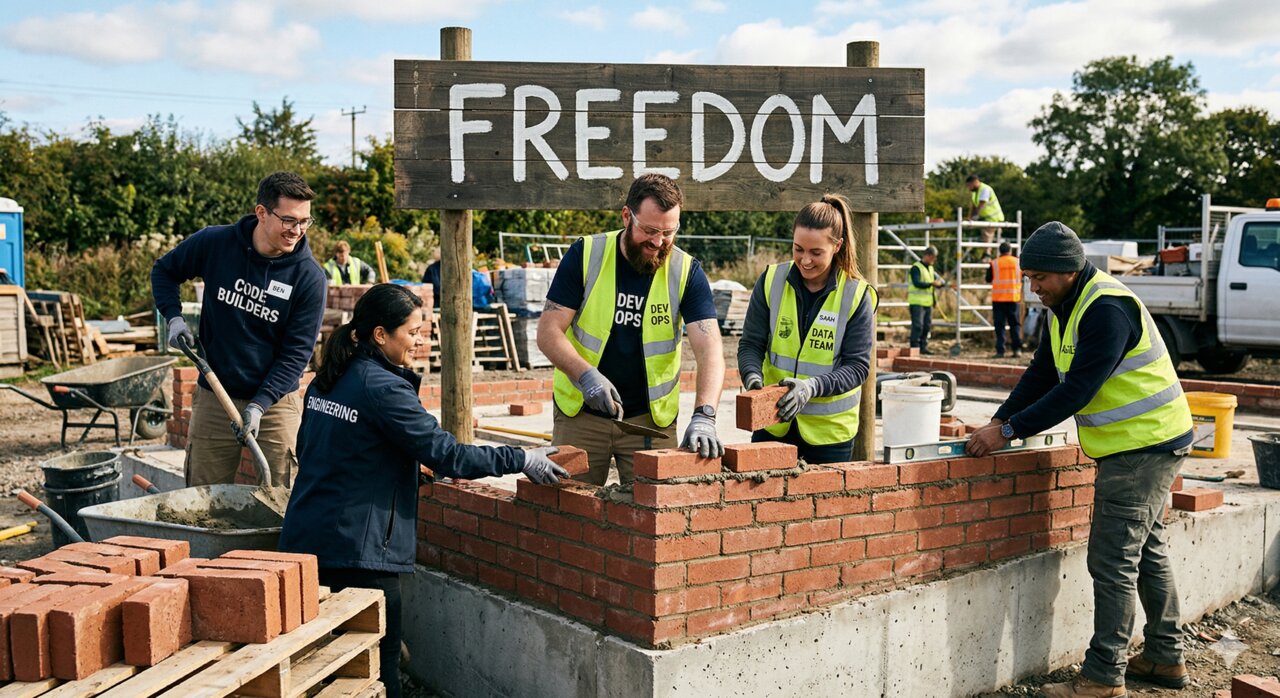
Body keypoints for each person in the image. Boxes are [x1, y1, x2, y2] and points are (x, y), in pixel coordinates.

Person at [281, 284, 567, 698]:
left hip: (309, 536)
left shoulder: (328, 378)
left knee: (329, 665)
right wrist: (520, 458)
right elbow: (447, 453)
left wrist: (408, 473)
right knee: (381, 668)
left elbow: (323, 452)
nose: (420, 341)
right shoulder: (383, 387)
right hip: (359, 554)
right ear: (381, 334)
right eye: (413, 332)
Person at [965, 222, 1193, 698]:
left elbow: (1075, 391)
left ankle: (1103, 677)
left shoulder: (1106, 310)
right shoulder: (1064, 306)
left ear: (1067, 271)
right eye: (1028, 277)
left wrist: (1008, 432)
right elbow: (1043, 372)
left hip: (1143, 449)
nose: (1032, 287)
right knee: (1146, 550)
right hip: (1140, 445)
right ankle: (1165, 658)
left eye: (1038, 278)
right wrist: (998, 419)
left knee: (1112, 562)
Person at [537, 174, 724, 485]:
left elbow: (711, 350)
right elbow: (548, 332)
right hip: (582, 415)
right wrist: (586, 377)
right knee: (568, 510)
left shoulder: (686, 272)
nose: (658, 242)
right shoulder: (587, 255)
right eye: (649, 230)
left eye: (668, 232)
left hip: (650, 423)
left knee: (660, 517)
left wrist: (705, 414)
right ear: (627, 216)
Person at [152, 171, 327, 488]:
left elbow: (296, 354)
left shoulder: (308, 277)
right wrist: (174, 318)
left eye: (305, 221)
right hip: (216, 396)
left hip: (275, 403)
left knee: (284, 497)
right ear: (261, 212)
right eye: (289, 220)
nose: (297, 230)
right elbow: (164, 271)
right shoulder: (216, 244)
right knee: (201, 496)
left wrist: (260, 404)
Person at [737, 195, 877, 464]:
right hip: (773, 423)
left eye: (816, 252)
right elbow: (751, 344)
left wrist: (812, 387)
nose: (805, 260)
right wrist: (753, 378)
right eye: (798, 249)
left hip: (829, 436)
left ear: (837, 246)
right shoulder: (771, 281)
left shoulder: (857, 295)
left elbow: (858, 367)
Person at [986, 241, 1023, 357]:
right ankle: (1017, 350)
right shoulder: (1018, 262)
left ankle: (1000, 351)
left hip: (998, 300)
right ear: (1010, 250)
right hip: (1014, 298)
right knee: (1015, 325)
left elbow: (988, 279)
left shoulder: (994, 263)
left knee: (999, 326)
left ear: (999, 251)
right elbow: (1025, 275)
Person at [908, 245, 945, 355]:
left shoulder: (930, 268)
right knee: (918, 326)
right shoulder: (916, 268)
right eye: (933, 257)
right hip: (917, 303)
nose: (935, 259)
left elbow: (931, 287)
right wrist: (931, 284)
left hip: (927, 303)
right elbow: (917, 283)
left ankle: (923, 347)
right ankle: (914, 347)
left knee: (926, 326)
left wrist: (934, 300)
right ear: (927, 256)